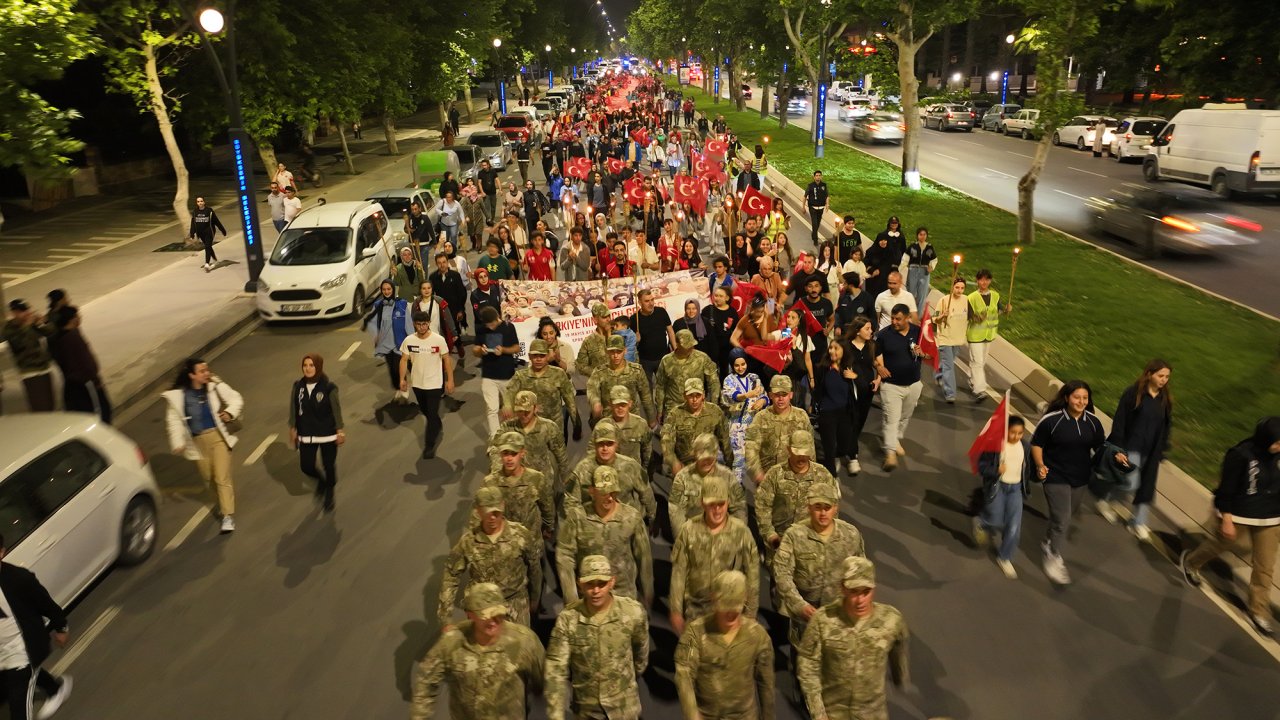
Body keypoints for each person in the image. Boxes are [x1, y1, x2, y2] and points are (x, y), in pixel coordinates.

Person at [1180, 417, 1280, 636]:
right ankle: (1192, 562)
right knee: (1220, 543)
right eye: (1277, 442)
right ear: (1266, 439)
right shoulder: (1241, 455)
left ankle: (1258, 611)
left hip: (1271, 517)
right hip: (1239, 513)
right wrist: (1226, 517)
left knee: (1265, 566)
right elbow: (1226, 489)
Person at [410, 583, 545, 720]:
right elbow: (426, 679)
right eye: (485, 616)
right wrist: (420, 715)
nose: (493, 622)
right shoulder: (452, 641)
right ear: (470, 615)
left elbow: (542, 676)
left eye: (497, 614)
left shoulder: (523, 641)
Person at [796, 557, 909, 720]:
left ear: (874, 589)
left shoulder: (891, 620)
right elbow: (807, 663)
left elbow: (900, 645)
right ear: (843, 588)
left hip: (873, 713)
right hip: (833, 712)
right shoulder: (823, 620)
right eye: (854, 592)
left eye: (866, 592)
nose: (860, 600)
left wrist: (900, 675)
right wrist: (818, 713)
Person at [545, 555, 650, 720]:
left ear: (612, 582)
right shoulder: (568, 619)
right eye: (589, 584)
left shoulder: (633, 613)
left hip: (623, 707)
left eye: (601, 584)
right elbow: (555, 670)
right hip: (587, 710)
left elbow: (640, 655)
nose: (595, 591)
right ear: (580, 584)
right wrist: (556, 714)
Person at [774, 484, 866, 649]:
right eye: (818, 507)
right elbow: (782, 573)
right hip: (806, 616)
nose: (823, 513)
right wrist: (799, 605)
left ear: (835, 508)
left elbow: (861, 574)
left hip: (839, 615)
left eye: (827, 507)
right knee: (803, 658)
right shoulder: (794, 535)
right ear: (809, 508)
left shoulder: (851, 534)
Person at [1031, 380, 1106, 585]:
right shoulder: (1051, 420)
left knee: (1062, 518)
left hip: (1080, 477)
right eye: (1076, 397)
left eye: (1085, 398)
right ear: (1066, 398)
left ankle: (1048, 541)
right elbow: (1037, 444)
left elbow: (1101, 445)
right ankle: (1054, 556)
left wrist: (1114, 457)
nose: (1081, 401)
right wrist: (1039, 464)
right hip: (1055, 476)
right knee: (1063, 520)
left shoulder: (1092, 422)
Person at [675, 570, 775, 720]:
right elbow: (684, 674)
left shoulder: (758, 637)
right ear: (713, 598)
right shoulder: (695, 633)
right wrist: (692, 713)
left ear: (745, 599)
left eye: (735, 607)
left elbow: (766, 684)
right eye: (725, 606)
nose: (730, 613)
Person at [669, 474, 761, 635]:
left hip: (729, 609)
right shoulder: (688, 530)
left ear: (728, 503)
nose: (717, 510)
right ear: (702, 503)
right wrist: (676, 610)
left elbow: (752, 574)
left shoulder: (741, 532)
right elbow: (679, 572)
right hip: (695, 609)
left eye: (721, 504)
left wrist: (751, 613)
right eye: (712, 504)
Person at [1095, 360, 1175, 543]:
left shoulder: (1164, 399)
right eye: (1160, 375)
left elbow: (1166, 425)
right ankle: (1104, 499)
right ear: (1149, 374)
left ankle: (1138, 522)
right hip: (1131, 447)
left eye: (1167, 377)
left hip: (1152, 450)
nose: (1164, 380)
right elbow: (1120, 419)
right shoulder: (1133, 394)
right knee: (1129, 483)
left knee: (1146, 487)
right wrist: (1118, 445)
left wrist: (1163, 448)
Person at [438, 487, 542, 627]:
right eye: (487, 513)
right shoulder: (469, 541)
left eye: (496, 512)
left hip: (514, 605)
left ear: (503, 506)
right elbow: (451, 574)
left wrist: (535, 598)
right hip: (481, 609)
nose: (492, 517)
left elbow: (534, 567)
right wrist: (445, 617)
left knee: (519, 645)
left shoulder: (520, 535)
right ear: (479, 511)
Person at [0, 532, 74, 720]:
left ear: (1, 553)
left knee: (18, 704)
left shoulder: (18, 579)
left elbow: (45, 603)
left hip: (22, 649)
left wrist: (61, 627)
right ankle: (56, 689)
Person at [164, 358, 243, 533]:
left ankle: (227, 516)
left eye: (207, 370)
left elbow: (236, 398)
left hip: (218, 437)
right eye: (202, 371)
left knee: (221, 477)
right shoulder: (179, 396)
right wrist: (178, 442)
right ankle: (222, 504)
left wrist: (230, 413)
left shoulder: (215, 385)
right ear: (192, 375)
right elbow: (174, 421)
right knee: (209, 479)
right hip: (197, 442)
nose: (207, 373)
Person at [556, 467, 654, 605]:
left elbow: (644, 557)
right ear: (592, 491)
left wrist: (647, 593)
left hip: (624, 597)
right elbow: (564, 556)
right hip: (590, 596)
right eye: (603, 492)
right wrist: (571, 597)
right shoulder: (577, 517)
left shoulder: (631, 517)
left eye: (613, 492)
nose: (609, 497)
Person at [756, 431, 838, 560]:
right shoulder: (775, 474)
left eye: (805, 453)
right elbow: (762, 506)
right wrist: (770, 535)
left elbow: (832, 509)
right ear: (788, 449)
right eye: (797, 452)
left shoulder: (823, 475)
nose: (801, 457)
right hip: (780, 543)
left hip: (811, 545)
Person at [972, 416, 1033, 579]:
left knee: (1014, 526)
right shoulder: (995, 446)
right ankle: (982, 524)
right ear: (1006, 431)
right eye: (1013, 432)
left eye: (1020, 433)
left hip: (1015, 489)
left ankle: (1005, 557)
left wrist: (1039, 474)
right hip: (998, 486)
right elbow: (981, 466)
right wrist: (996, 470)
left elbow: (1027, 469)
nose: (1016, 436)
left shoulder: (1025, 446)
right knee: (996, 520)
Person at [564, 422, 656, 527]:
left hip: (625, 524)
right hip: (594, 525)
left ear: (616, 444)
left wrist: (651, 517)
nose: (605, 448)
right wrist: (579, 526)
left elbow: (646, 493)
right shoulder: (582, 469)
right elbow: (570, 501)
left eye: (609, 443)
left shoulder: (630, 466)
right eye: (601, 444)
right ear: (595, 445)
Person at [873, 304, 928, 471]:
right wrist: (879, 367)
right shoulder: (883, 335)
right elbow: (874, 355)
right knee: (892, 419)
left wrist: (923, 353)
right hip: (891, 386)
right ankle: (890, 453)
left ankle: (895, 438)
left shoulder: (918, 332)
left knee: (905, 417)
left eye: (898, 319)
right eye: (892, 318)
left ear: (907, 319)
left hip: (914, 384)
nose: (894, 322)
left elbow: (931, 354)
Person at [287, 354, 343, 512]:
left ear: (318, 367)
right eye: (305, 365)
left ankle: (329, 492)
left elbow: (336, 410)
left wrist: (340, 431)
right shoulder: (298, 386)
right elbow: (294, 408)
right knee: (306, 466)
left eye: (311, 365)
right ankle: (322, 482)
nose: (308, 368)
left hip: (327, 433)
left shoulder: (329, 387)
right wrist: (292, 427)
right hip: (306, 433)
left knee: (328, 465)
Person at [669, 433, 749, 540]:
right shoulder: (682, 477)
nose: (706, 462)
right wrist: (683, 541)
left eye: (710, 458)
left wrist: (735, 537)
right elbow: (676, 512)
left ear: (716, 456)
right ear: (695, 456)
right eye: (703, 459)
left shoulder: (727, 476)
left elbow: (739, 507)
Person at [399, 310, 456, 459]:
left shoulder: (438, 340)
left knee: (430, 414)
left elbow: (446, 360)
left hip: (435, 384)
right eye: (419, 324)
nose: (422, 327)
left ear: (429, 323)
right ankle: (436, 423)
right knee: (426, 411)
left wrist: (450, 380)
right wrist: (402, 379)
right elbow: (404, 360)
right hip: (418, 384)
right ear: (414, 325)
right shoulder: (409, 341)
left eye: (425, 324)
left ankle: (429, 446)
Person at [492, 391, 569, 499]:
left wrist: (565, 476)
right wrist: (497, 472)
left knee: (548, 512)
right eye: (520, 411)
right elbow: (495, 448)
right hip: (517, 484)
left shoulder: (548, 427)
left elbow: (560, 453)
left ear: (535, 408)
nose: (523, 415)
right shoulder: (507, 427)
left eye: (527, 411)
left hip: (543, 481)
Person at [484, 432, 555, 545]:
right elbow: (482, 512)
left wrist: (549, 527)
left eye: (514, 454)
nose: (509, 459)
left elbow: (546, 506)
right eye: (505, 453)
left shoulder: (535, 478)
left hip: (532, 538)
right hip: (505, 543)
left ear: (522, 453)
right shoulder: (491, 482)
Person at [744, 375, 812, 486]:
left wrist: (808, 474)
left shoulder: (801, 416)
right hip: (767, 478)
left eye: (784, 394)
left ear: (791, 395)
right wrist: (757, 473)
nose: (780, 399)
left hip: (794, 478)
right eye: (777, 395)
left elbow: (810, 448)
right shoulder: (761, 418)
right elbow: (750, 446)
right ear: (770, 395)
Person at [663, 378, 733, 476]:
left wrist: (729, 467)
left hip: (708, 464)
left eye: (698, 395)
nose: (694, 400)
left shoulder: (714, 412)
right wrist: (674, 462)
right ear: (684, 396)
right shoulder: (675, 414)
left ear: (703, 395)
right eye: (691, 396)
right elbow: (666, 442)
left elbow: (725, 441)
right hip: (684, 467)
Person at [654, 329, 721, 422]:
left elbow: (714, 382)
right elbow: (660, 386)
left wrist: (713, 405)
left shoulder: (702, 358)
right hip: (674, 407)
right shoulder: (666, 361)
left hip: (697, 406)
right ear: (676, 344)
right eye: (687, 346)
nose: (690, 348)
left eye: (692, 345)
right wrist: (660, 410)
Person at [473, 306, 521, 435]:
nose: (490, 327)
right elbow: (475, 350)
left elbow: (516, 348)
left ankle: (512, 435)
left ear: (497, 318)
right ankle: (494, 438)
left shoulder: (509, 327)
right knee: (492, 409)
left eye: (492, 324)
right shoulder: (481, 329)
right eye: (487, 325)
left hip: (507, 375)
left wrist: (504, 350)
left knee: (510, 409)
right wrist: (480, 351)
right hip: (488, 375)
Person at [587, 335, 655, 425]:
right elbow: (592, 390)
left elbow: (646, 397)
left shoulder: (636, 371)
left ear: (625, 350)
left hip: (632, 421)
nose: (615, 356)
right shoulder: (599, 372)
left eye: (619, 352)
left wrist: (651, 419)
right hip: (609, 422)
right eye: (612, 352)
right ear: (607, 351)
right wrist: (595, 403)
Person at [2, 300, 56, 412]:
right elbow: (20, 344)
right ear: (14, 313)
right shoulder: (9, 328)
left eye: (26, 310)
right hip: (30, 371)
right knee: (40, 406)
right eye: (21, 311)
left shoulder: (31, 323)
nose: (26, 313)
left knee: (50, 405)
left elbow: (50, 332)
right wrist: (26, 325)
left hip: (44, 368)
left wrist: (40, 323)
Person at [721, 356, 767, 485]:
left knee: (757, 460)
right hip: (737, 425)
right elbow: (730, 397)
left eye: (743, 364)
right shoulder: (729, 380)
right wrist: (747, 395)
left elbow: (764, 394)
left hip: (755, 424)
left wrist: (762, 401)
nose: (741, 368)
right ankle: (737, 490)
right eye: (737, 365)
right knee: (738, 460)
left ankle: (761, 489)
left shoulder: (754, 377)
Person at [814, 340, 858, 476]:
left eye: (836, 348)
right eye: (830, 348)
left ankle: (833, 458)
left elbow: (863, 387)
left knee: (844, 446)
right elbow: (817, 391)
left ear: (844, 350)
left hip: (845, 413)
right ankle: (832, 478)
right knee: (829, 448)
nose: (831, 351)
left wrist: (855, 377)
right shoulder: (822, 368)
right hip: (827, 413)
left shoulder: (849, 368)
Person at [364, 281, 412, 403]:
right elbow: (372, 322)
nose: (386, 292)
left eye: (389, 289)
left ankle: (404, 388)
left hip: (399, 343)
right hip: (385, 343)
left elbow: (408, 323)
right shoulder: (378, 305)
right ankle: (398, 388)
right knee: (391, 370)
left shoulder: (402, 304)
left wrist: (412, 340)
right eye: (384, 289)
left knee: (398, 367)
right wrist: (375, 335)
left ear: (393, 289)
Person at [966, 268, 1004, 400]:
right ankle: (979, 389)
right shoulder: (971, 297)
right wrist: (977, 318)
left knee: (980, 362)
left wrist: (1006, 310)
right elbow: (969, 316)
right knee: (977, 362)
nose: (984, 282)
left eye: (986, 279)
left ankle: (972, 380)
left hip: (989, 335)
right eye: (981, 279)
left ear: (990, 281)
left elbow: (998, 311)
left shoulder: (995, 295)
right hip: (975, 336)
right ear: (977, 281)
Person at [932, 277, 969, 403]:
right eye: (957, 287)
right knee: (949, 366)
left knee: (948, 363)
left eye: (962, 288)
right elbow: (934, 318)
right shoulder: (944, 301)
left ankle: (938, 375)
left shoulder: (966, 300)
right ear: (952, 287)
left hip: (958, 339)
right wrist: (942, 315)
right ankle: (950, 393)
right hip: (945, 339)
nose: (959, 290)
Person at [429, 253, 469, 368]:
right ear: (436, 264)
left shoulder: (455, 275)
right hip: (440, 310)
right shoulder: (433, 277)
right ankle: (447, 352)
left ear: (447, 262)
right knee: (443, 332)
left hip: (454, 309)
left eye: (444, 262)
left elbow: (462, 293)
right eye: (439, 263)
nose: (442, 265)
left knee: (455, 330)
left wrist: (461, 310)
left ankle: (459, 345)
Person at [605, 386, 653, 473]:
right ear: (610, 404)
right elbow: (593, 452)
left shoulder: (640, 424)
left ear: (630, 404)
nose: (620, 408)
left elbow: (647, 449)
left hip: (633, 475)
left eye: (623, 405)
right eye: (617, 405)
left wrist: (644, 470)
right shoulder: (603, 425)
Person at [634, 289, 675, 384]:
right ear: (640, 302)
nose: (651, 303)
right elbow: (631, 345)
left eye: (652, 300)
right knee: (647, 390)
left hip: (663, 358)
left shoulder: (661, 312)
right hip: (645, 361)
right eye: (647, 301)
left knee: (666, 386)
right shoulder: (634, 319)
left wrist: (675, 349)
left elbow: (670, 331)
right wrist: (636, 340)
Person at [701, 286, 739, 378]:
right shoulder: (707, 310)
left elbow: (736, 331)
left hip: (726, 350)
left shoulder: (732, 312)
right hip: (710, 349)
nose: (717, 298)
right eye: (716, 295)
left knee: (725, 373)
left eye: (720, 296)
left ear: (727, 298)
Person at [902, 226, 938, 314]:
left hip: (924, 272)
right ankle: (909, 313)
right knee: (911, 292)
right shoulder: (912, 246)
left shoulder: (929, 247)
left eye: (924, 234)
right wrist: (899, 270)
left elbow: (934, 259)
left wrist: (931, 267)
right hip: (913, 270)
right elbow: (905, 259)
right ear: (917, 235)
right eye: (920, 234)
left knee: (922, 294)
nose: (922, 236)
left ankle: (919, 315)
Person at [188, 196, 227, 271]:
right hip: (201, 233)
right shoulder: (195, 211)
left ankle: (207, 263)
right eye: (198, 201)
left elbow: (216, 221)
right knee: (208, 246)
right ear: (197, 203)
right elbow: (193, 223)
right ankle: (215, 260)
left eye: (201, 201)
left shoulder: (209, 211)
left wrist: (222, 230)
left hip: (209, 232)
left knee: (207, 246)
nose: (200, 203)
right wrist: (192, 233)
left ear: (204, 202)